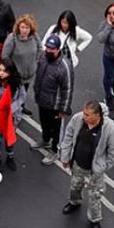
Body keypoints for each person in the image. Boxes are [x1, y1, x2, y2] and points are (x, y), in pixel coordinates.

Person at [60, 102, 114, 228]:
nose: (84, 116)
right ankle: (74, 202)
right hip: (77, 165)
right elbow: (69, 135)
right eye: (84, 113)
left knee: (95, 196)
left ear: (97, 115)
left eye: (87, 115)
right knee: (75, 186)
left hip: (94, 172)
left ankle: (95, 220)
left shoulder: (110, 128)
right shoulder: (78, 119)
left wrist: (101, 168)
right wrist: (65, 156)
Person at [34, 34, 74, 162]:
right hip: (42, 100)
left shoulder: (65, 66)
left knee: (56, 130)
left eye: (52, 48)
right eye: (47, 47)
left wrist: (64, 109)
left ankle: (55, 150)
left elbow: (67, 89)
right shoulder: (42, 56)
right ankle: (45, 140)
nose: (48, 50)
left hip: (56, 106)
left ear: (58, 49)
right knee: (44, 123)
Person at [0, 62, 25, 168]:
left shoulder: (17, 83)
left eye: (5, 71)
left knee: (9, 138)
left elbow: (21, 98)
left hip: (12, 117)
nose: (1, 73)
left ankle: (10, 157)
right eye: (0, 70)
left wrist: (12, 109)